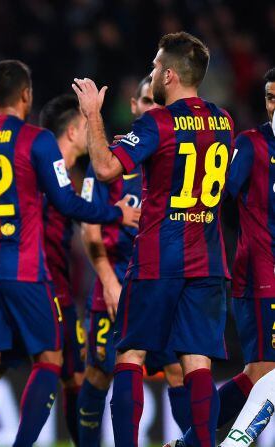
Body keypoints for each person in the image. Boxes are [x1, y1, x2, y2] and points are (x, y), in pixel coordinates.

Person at [0, 59, 140, 447]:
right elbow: (66, 203)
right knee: (50, 361)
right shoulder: (37, 140)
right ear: (27, 95)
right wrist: (117, 213)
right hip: (24, 270)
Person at [73, 31, 234, 447]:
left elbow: (107, 168)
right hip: (208, 261)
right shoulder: (224, 121)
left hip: (158, 258)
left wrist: (92, 114)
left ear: (167, 74)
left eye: (153, 67)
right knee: (196, 362)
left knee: (131, 355)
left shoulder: (158, 123)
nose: (151, 74)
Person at [77, 76, 190, 446]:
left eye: (156, 103)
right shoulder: (109, 158)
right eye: (145, 101)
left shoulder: (175, 158)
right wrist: (109, 280)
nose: (151, 108)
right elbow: (89, 230)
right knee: (99, 372)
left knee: (175, 369)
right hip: (117, 280)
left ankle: (191, 441)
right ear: (133, 105)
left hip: (160, 281)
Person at [192, 69, 275, 447]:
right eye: (271, 98)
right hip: (261, 273)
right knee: (267, 371)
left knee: (257, 373)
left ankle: (191, 443)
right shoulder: (252, 144)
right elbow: (216, 197)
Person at [38, 94, 91, 444]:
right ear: (72, 131)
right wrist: (116, 212)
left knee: (74, 374)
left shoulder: (65, 171)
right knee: (57, 366)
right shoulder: (46, 166)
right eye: (87, 126)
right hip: (43, 284)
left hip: (60, 285)